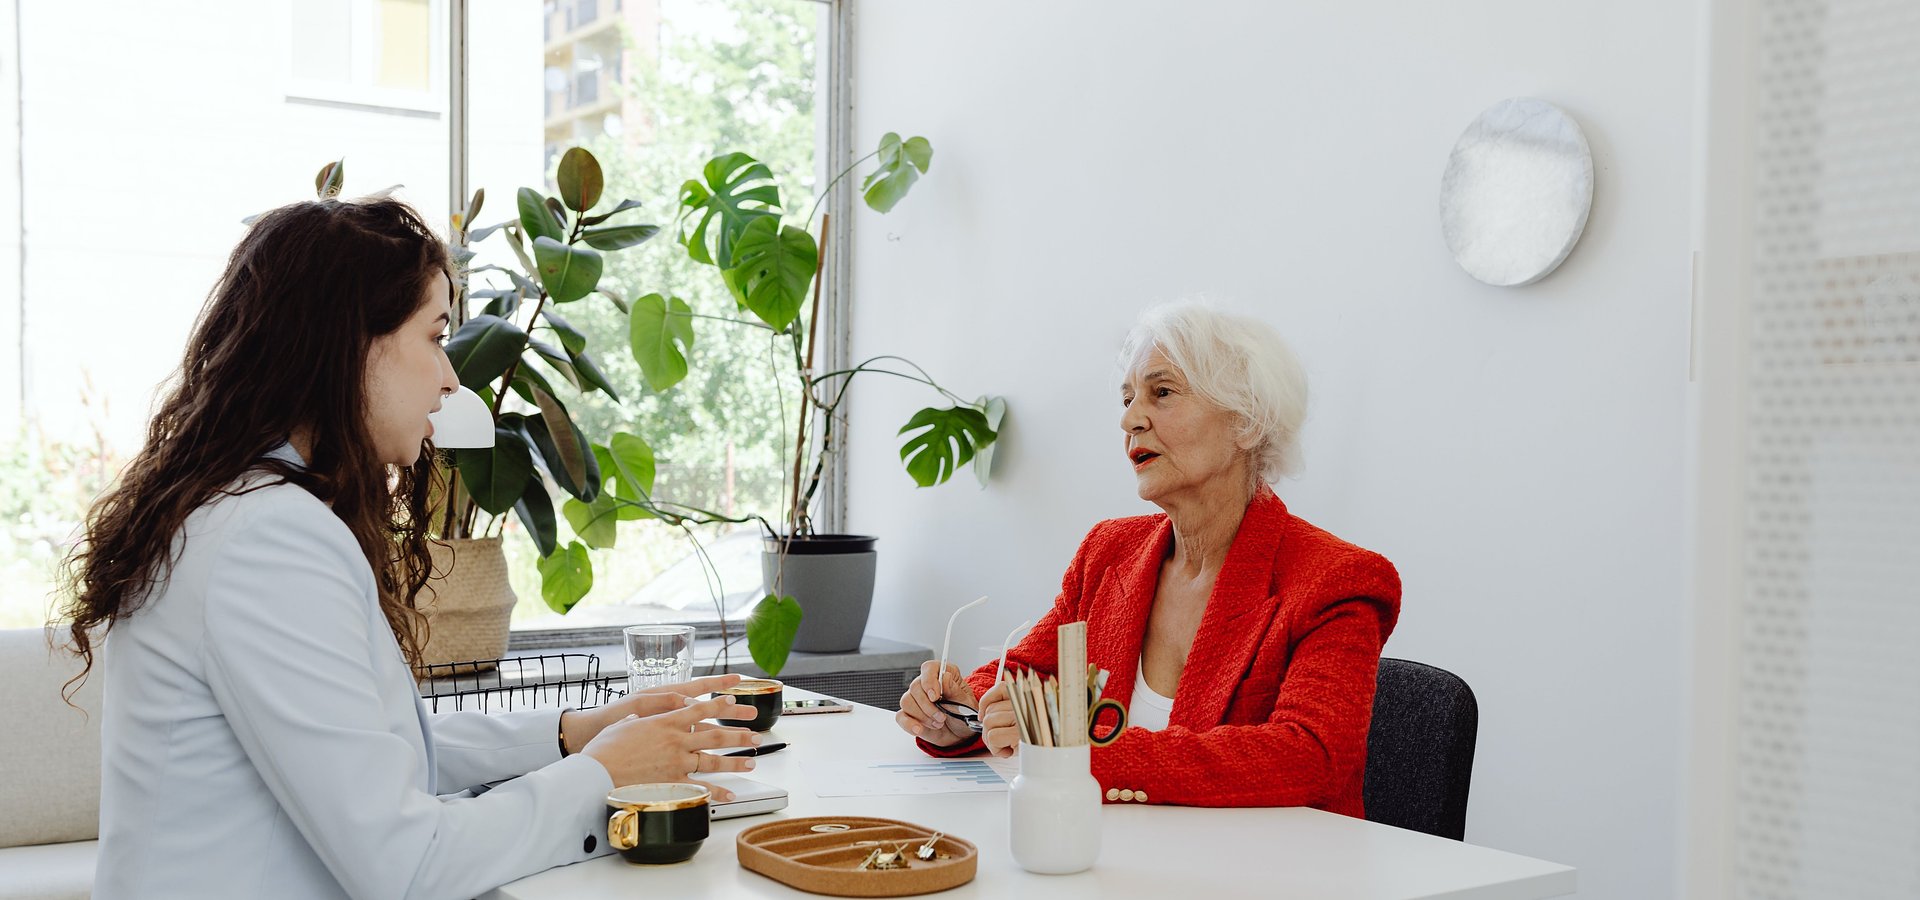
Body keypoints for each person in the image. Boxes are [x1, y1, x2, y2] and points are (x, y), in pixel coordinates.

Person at [57, 197, 759, 899]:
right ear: (349, 342)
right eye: (433, 337)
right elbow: (407, 864)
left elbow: (374, 751)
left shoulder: (240, 511)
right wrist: (603, 775)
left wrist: (576, 733)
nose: (451, 378)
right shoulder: (268, 541)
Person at [895, 302, 1401, 814]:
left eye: (1162, 393)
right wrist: (962, 714)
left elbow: (1307, 758)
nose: (1130, 418)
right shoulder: (1109, 551)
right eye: (1128, 398)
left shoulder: (1338, 579)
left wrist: (1084, 754)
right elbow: (1027, 677)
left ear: (1247, 422)